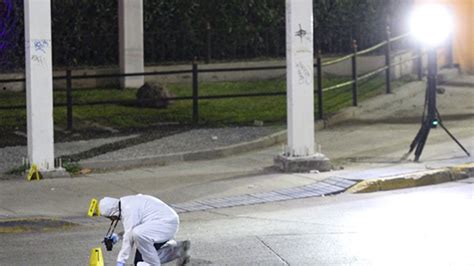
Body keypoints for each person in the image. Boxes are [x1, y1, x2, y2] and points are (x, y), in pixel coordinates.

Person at [99, 194, 190, 266]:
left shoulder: (128, 209)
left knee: (142, 261)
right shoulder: (126, 203)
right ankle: (178, 250)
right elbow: (134, 229)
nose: (112, 220)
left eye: (110, 217)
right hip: (164, 223)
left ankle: (164, 258)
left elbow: (130, 237)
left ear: (112, 212)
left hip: (166, 224)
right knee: (140, 259)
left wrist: (121, 261)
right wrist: (117, 236)